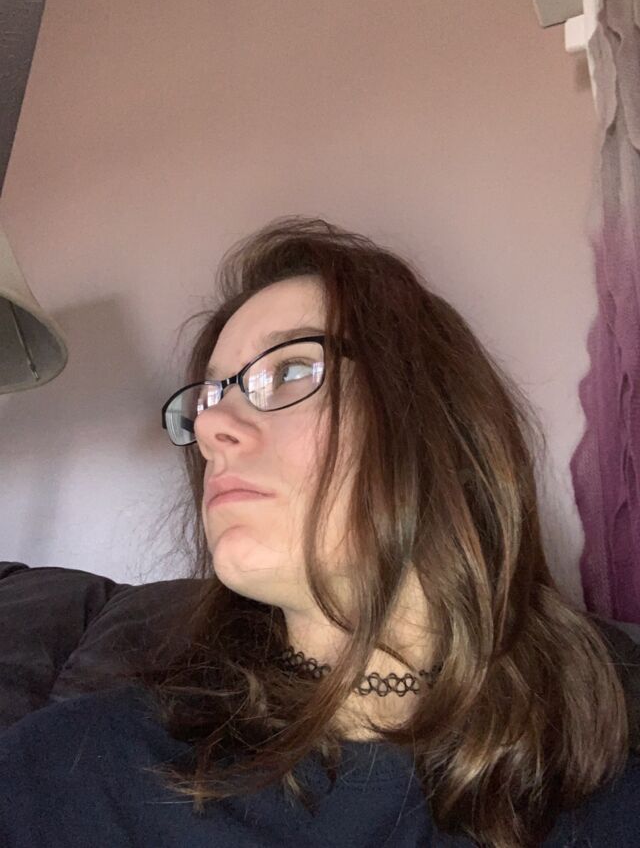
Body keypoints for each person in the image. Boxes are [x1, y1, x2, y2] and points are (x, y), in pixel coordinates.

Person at [1, 216, 639, 847]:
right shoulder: (69, 775)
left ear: (439, 426)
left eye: (288, 371)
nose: (211, 428)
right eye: (207, 400)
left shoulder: (604, 782)